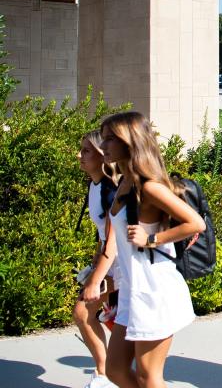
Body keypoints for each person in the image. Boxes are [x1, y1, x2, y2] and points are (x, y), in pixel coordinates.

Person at [101, 112, 206, 388]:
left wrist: (151, 239)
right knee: (115, 370)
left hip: (154, 291)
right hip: (132, 292)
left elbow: (195, 223)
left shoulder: (149, 187)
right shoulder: (124, 182)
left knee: (149, 376)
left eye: (111, 138)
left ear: (129, 141)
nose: (104, 145)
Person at [74, 131, 120, 388]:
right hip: (109, 264)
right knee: (114, 320)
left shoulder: (110, 190)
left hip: (120, 265)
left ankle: (106, 375)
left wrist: (96, 280)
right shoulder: (95, 186)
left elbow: (112, 244)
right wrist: (93, 267)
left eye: (87, 151)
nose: (80, 155)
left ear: (102, 156)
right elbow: (102, 236)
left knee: (83, 313)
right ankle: (109, 373)